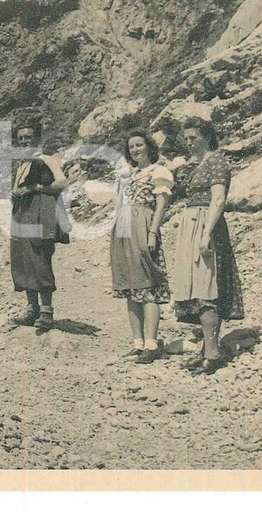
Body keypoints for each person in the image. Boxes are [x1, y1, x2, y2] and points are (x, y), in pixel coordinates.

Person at [171, 117, 244, 375]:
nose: (189, 143)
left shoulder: (216, 161)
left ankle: (213, 355)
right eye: (186, 139)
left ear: (208, 137)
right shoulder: (197, 164)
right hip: (192, 226)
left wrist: (206, 234)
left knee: (206, 288)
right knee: (194, 288)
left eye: (194, 138)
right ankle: (206, 349)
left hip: (206, 226)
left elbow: (218, 198)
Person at [110, 129, 174, 364]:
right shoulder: (129, 175)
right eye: (131, 147)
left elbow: (161, 205)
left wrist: (153, 232)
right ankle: (137, 343)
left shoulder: (158, 172)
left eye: (139, 145)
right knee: (130, 286)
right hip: (124, 228)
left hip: (144, 225)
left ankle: (152, 343)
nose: (135, 150)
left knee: (148, 286)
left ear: (149, 147)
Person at [10, 120, 71, 332]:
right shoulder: (23, 165)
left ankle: (46, 311)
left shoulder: (46, 159)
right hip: (22, 213)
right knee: (23, 257)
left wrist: (35, 188)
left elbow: (62, 184)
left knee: (39, 257)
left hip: (39, 213)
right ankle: (32, 309)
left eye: (28, 137)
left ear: (37, 139)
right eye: (21, 139)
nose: (25, 141)